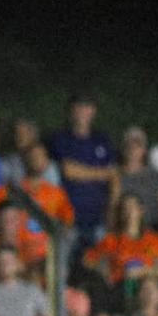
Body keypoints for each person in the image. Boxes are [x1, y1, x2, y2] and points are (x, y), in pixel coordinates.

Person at [48, 95, 113, 241]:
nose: (83, 111)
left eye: (87, 107)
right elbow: (68, 171)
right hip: (68, 217)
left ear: (93, 111)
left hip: (99, 217)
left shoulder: (101, 138)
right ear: (71, 111)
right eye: (78, 107)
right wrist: (101, 173)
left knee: (97, 262)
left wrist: (112, 208)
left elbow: (113, 174)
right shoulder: (60, 137)